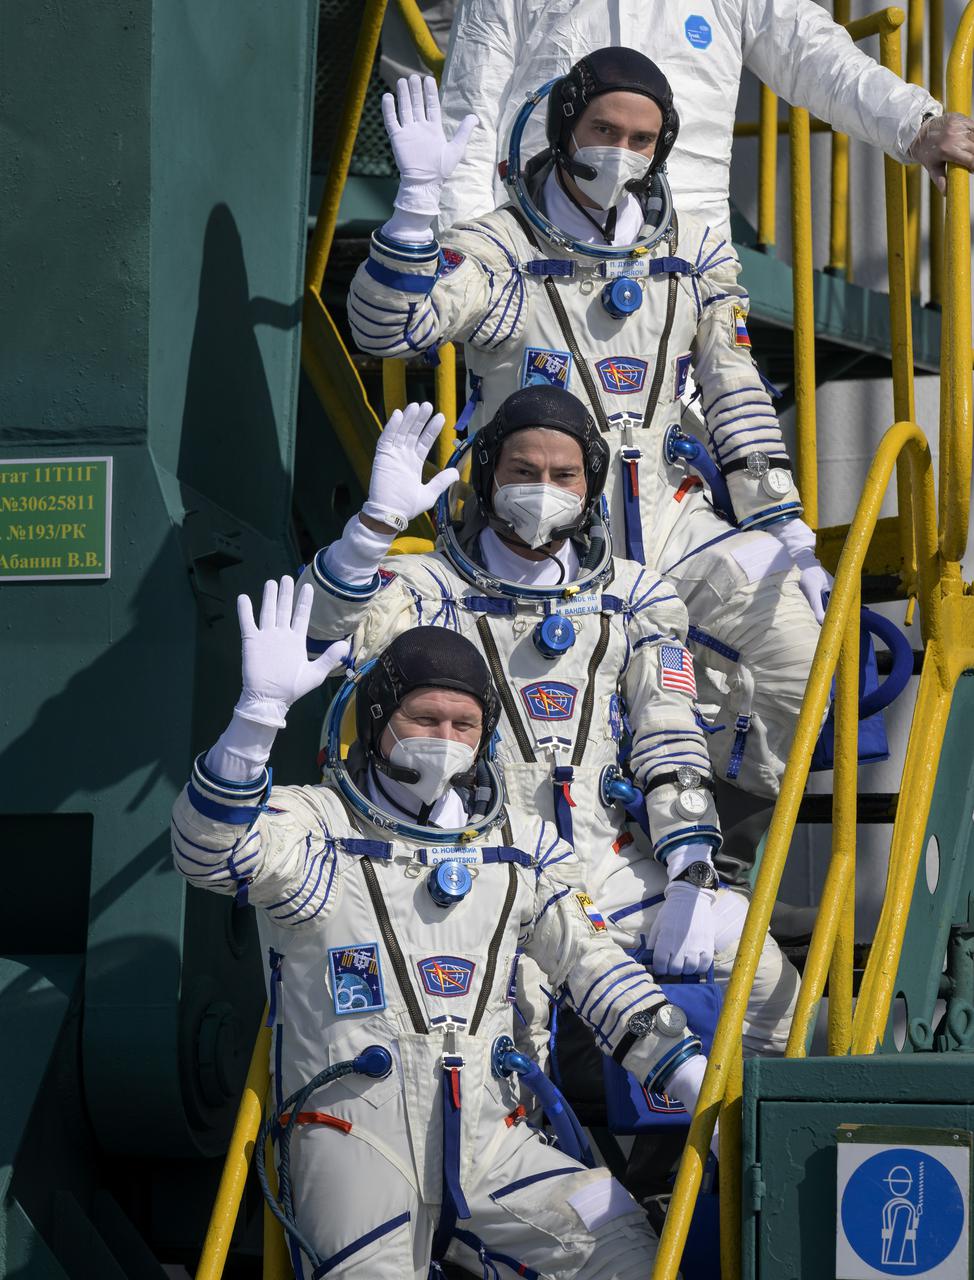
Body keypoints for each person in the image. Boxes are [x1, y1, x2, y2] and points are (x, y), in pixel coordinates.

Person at [172, 584, 708, 1279]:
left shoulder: (522, 845)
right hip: (353, 1137)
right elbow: (209, 853)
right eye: (424, 717)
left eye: (465, 724)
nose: (446, 741)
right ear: (375, 720)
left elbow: (594, 965)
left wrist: (692, 1076)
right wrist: (255, 721)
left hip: (492, 1140)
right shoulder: (317, 828)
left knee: (623, 1247)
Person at [347, 51, 823, 800]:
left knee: (798, 653)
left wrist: (785, 527)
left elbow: (735, 390)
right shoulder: (503, 251)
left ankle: (720, 842)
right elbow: (391, 328)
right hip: (532, 541)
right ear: (566, 126)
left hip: (672, 525)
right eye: (604, 128)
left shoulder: (694, 253)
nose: (620, 152)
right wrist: (412, 211)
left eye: (642, 139)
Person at [298, 390, 799, 1057]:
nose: (543, 490)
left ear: (590, 484)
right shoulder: (425, 588)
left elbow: (668, 735)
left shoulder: (634, 596)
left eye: (563, 476)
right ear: (488, 477)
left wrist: (691, 873)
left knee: (767, 984)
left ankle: (719, 1158)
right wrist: (374, 525)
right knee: (509, 1035)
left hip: (609, 870)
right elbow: (315, 633)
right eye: (522, 472)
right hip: (480, 868)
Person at [435, 0, 974, 233]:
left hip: (686, 264)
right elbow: (470, 108)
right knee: (542, 458)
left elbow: (815, 57)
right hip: (537, 254)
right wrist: (462, 255)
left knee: (690, 459)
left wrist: (916, 125)